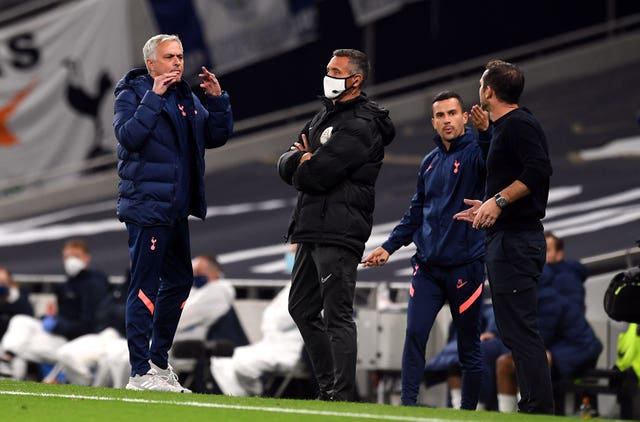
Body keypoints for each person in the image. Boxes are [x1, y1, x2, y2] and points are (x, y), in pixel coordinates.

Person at [113, 33, 233, 393]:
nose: (178, 62)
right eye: (170, 57)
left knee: (180, 282)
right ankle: (138, 374)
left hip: (175, 210)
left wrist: (218, 100)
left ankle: (158, 363)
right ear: (151, 64)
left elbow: (214, 136)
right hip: (147, 207)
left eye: (180, 56)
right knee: (144, 287)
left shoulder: (187, 96)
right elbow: (129, 136)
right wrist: (155, 95)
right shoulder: (132, 93)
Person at [277, 48, 395, 401]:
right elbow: (288, 162)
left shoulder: (361, 124)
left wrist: (304, 161)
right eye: (328, 68)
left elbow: (318, 173)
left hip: (340, 228)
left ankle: (341, 394)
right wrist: (302, 159)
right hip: (312, 225)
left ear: (355, 80)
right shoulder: (322, 118)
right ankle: (330, 386)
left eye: (335, 70)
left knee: (337, 314)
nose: (327, 75)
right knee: (300, 307)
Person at [363, 90, 491, 408]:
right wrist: (389, 247)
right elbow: (415, 213)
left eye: (452, 113)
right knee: (415, 336)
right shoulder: (429, 163)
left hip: (466, 267)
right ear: (433, 122)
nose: (447, 120)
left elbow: (493, 163)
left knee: (468, 346)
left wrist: (487, 133)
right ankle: (408, 408)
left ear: (464, 117)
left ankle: (467, 414)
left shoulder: (477, 153)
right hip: (428, 269)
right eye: (440, 115)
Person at [454, 59, 555, 414]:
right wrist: (488, 205)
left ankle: (538, 410)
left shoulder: (519, 124)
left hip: (517, 241)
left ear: (488, 91)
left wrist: (498, 200)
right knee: (514, 333)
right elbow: (506, 173)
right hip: (506, 238)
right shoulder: (504, 128)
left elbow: (539, 169)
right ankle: (534, 407)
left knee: (521, 333)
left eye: (481, 85)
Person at [495, 266, 602, 413]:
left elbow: (537, 337)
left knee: (526, 361)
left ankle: (527, 412)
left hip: (580, 350)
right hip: (560, 347)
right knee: (506, 363)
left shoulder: (547, 299)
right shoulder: (533, 297)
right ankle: (509, 415)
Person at [0, 239, 110, 380]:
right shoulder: (66, 284)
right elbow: (63, 315)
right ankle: (7, 363)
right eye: (67, 256)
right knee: (20, 323)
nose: (71, 261)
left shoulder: (93, 284)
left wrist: (58, 325)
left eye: (75, 256)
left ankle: (8, 367)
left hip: (76, 340)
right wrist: (49, 319)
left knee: (16, 347)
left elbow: (89, 324)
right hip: (58, 336)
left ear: (86, 258)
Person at [209, 281, 305, 397]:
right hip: (269, 345)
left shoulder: (309, 283)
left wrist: (274, 318)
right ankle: (246, 397)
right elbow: (269, 318)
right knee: (220, 361)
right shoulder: (293, 282)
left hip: (292, 349)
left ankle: (252, 396)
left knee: (243, 363)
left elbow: (281, 320)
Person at [543, 231, 587, 311]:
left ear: (559, 254)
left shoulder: (566, 278)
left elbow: (573, 311)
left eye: (547, 250)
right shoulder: (543, 277)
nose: (541, 254)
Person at [0, 266, 33, 339]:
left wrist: (10, 299)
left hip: (15, 338)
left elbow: (28, 318)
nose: (1, 286)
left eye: (3, 282)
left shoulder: (20, 297)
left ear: (9, 281)